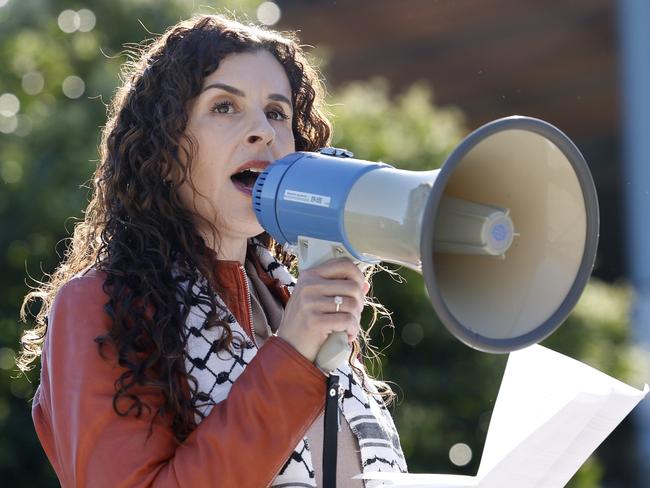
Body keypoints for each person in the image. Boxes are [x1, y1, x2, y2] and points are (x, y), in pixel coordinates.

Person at [18, 14, 407, 488]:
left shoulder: (291, 301)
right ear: (163, 150)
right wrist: (291, 355)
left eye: (277, 112)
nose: (262, 130)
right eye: (225, 106)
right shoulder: (99, 305)